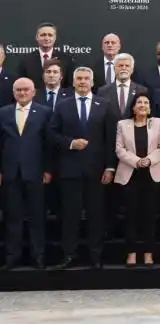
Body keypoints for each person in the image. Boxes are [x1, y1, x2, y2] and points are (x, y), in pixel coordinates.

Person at [49, 66, 117, 269]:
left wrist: (110, 167)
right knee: (70, 215)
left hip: (97, 171)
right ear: (73, 82)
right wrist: (71, 143)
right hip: (70, 170)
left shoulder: (104, 105)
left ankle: (95, 256)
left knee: (96, 215)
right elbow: (52, 134)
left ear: (92, 82)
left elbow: (111, 139)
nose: (82, 82)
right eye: (79, 78)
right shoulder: (62, 105)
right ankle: (69, 255)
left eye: (86, 78)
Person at [0, 78, 53, 270]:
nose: (22, 93)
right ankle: (12, 257)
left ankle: (38, 256)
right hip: (10, 173)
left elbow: (49, 144)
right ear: (13, 92)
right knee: (12, 217)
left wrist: (48, 169)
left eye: (26, 90)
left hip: (36, 172)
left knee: (37, 217)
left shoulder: (45, 112)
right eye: (18, 90)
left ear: (33, 92)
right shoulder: (3, 112)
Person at [114, 93, 160, 267]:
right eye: (139, 102)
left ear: (150, 108)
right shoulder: (123, 124)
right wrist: (137, 161)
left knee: (149, 216)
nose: (143, 105)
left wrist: (149, 160)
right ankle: (131, 253)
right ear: (133, 107)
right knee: (131, 216)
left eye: (146, 102)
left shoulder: (157, 123)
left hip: (152, 175)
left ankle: (148, 253)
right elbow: (119, 149)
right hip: (130, 176)